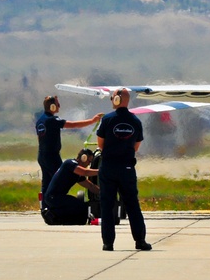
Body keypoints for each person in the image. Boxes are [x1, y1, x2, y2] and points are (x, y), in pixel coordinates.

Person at [96, 88, 150, 251]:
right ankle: (140, 241)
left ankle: (108, 243)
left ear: (117, 100)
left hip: (108, 167)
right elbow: (136, 146)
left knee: (107, 205)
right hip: (126, 168)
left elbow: (100, 144)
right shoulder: (135, 121)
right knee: (132, 204)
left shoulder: (107, 120)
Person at [35, 95, 102, 197]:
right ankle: (58, 202)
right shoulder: (52, 120)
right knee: (61, 179)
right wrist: (92, 121)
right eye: (57, 104)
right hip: (52, 156)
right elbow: (73, 125)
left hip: (42, 156)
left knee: (47, 182)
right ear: (52, 106)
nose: (59, 106)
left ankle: (45, 205)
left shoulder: (40, 121)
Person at [41, 148, 100, 225]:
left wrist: (103, 192)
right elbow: (85, 172)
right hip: (53, 197)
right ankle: (54, 215)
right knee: (81, 207)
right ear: (83, 158)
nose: (89, 164)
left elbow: (90, 186)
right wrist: (102, 171)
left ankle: (60, 217)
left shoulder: (78, 174)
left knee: (82, 209)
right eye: (89, 161)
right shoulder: (70, 163)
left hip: (59, 197)